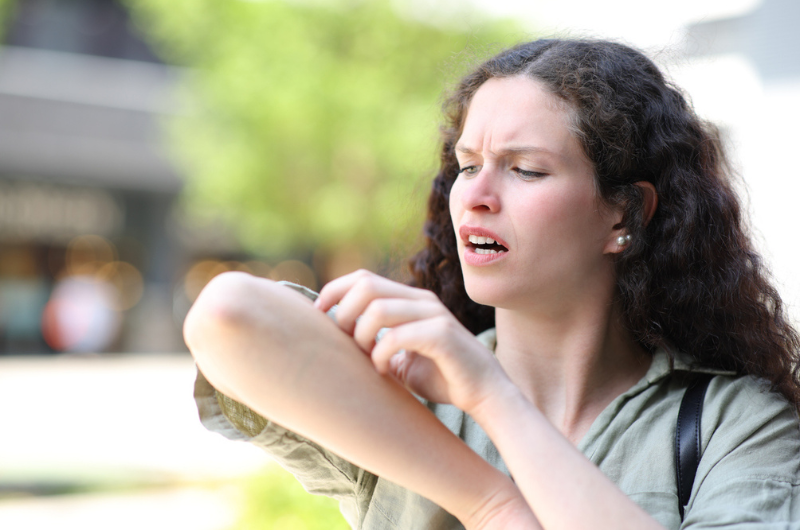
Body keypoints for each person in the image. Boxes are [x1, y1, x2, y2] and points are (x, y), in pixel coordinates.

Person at [184, 39, 800, 529]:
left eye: (525, 169)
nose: (474, 197)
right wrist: (490, 506)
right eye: (468, 165)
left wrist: (493, 399)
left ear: (624, 215)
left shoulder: (735, 425)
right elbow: (227, 316)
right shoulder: (405, 393)